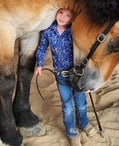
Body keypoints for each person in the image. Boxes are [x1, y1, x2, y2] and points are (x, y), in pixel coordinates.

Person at [35, 8, 97, 146]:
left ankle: (84, 123)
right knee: (67, 106)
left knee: (80, 103)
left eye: (68, 15)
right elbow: (42, 47)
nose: (62, 17)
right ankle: (72, 133)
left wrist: (88, 76)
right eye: (60, 13)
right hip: (60, 75)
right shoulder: (48, 30)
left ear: (72, 18)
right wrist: (39, 64)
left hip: (77, 75)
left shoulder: (74, 31)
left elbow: (86, 51)